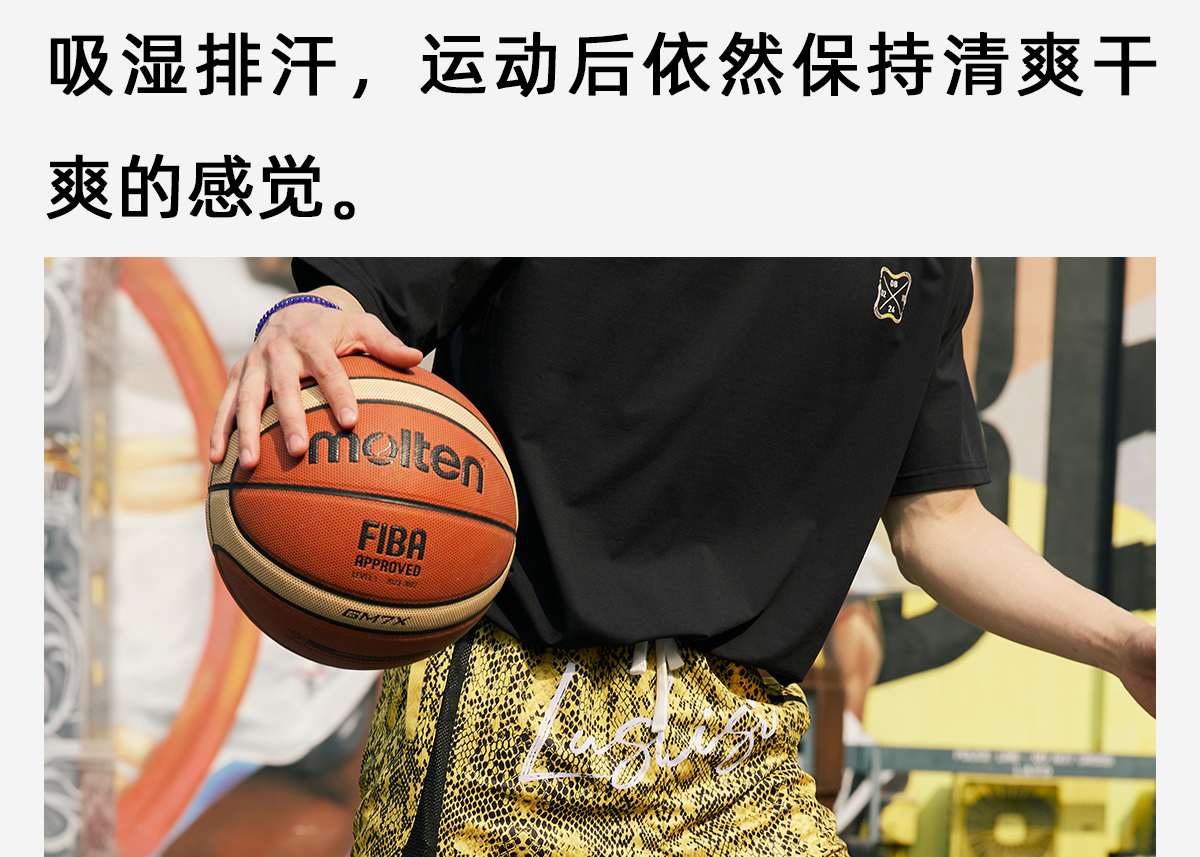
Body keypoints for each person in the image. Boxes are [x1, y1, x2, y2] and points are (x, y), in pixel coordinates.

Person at [209, 258, 1156, 857]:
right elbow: (366, 296)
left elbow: (938, 521)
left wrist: (1121, 642)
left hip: (740, 745)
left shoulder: (926, 251)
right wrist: (311, 311)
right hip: (515, 724)